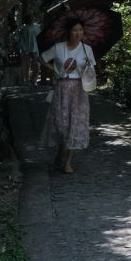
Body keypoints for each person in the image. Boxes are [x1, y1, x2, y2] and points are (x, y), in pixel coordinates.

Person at [41, 17, 96, 173]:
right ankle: (61, 151)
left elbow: (92, 71)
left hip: (79, 89)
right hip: (61, 87)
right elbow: (42, 58)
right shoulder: (58, 48)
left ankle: (68, 162)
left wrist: (88, 68)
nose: (78, 33)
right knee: (61, 124)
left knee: (75, 124)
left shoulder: (87, 49)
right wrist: (54, 70)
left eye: (80, 30)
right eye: (74, 30)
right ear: (68, 32)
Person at [16, 13, 43, 85]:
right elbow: (21, 40)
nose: (31, 19)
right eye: (30, 18)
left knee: (37, 66)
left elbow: (41, 36)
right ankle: (27, 81)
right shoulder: (24, 28)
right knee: (26, 66)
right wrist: (25, 50)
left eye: (32, 17)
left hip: (36, 49)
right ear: (27, 20)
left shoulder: (37, 27)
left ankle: (33, 80)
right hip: (26, 50)